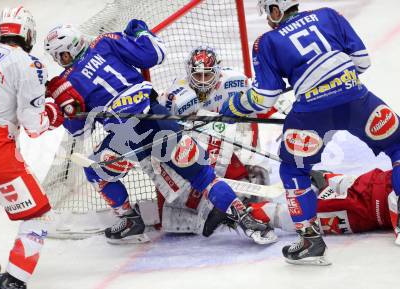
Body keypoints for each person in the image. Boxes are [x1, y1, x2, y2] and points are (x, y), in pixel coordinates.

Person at [43, 22, 277, 245]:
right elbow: (155, 54)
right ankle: (246, 220)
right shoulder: (105, 42)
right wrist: (143, 33)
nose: (59, 60)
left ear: (70, 48)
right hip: (153, 117)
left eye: (60, 55)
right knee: (204, 177)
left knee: (95, 171)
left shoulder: (75, 73)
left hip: (128, 131)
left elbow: (80, 131)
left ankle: (130, 217)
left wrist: (62, 106)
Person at [220, 0, 400, 265]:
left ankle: (310, 242)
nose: (268, 19)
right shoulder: (329, 15)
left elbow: (264, 99)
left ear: (275, 10)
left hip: (312, 114)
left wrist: (232, 106)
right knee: (398, 146)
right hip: (356, 101)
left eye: (268, 13)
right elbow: (362, 63)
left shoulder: (266, 42)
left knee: (293, 171)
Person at [0, 6, 64, 289]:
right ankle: (14, 283)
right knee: (38, 215)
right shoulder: (29, 64)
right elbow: (34, 125)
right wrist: (56, 112)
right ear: (28, 32)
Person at [157, 168, 399, 240]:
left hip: (367, 206)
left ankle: (240, 213)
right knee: (304, 215)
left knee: (302, 217)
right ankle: (242, 211)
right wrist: (335, 180)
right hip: (367, 198)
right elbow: (388, 189)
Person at [158, 46, 271, 185]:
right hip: (198, 145)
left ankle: (248, 165)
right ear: (189, 73)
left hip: (234, 136)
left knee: (243, 120)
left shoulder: (236, 81)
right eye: (198, 75)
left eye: (208, 75)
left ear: (217, 72)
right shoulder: (175, 97)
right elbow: (161, 129)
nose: (203, 81)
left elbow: (261, 102)